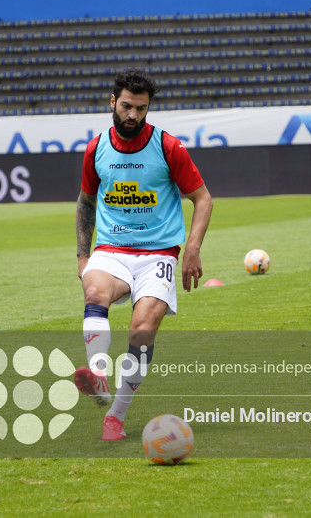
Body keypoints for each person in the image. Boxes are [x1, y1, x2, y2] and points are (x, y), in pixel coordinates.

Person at [74, 68, 213, 440]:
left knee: (142, 331)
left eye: (140, 108)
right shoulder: (96, 148)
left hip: (159, 254)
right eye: (126, 106)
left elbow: (202, 198)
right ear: (112, 103)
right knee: (94, 293)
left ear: (148, 108)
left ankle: (115, 417)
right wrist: (82, 256)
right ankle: (98, 375)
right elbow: (86, 201)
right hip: (112, 249)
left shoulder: (168, 146)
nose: (132, 115)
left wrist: (193, 249)